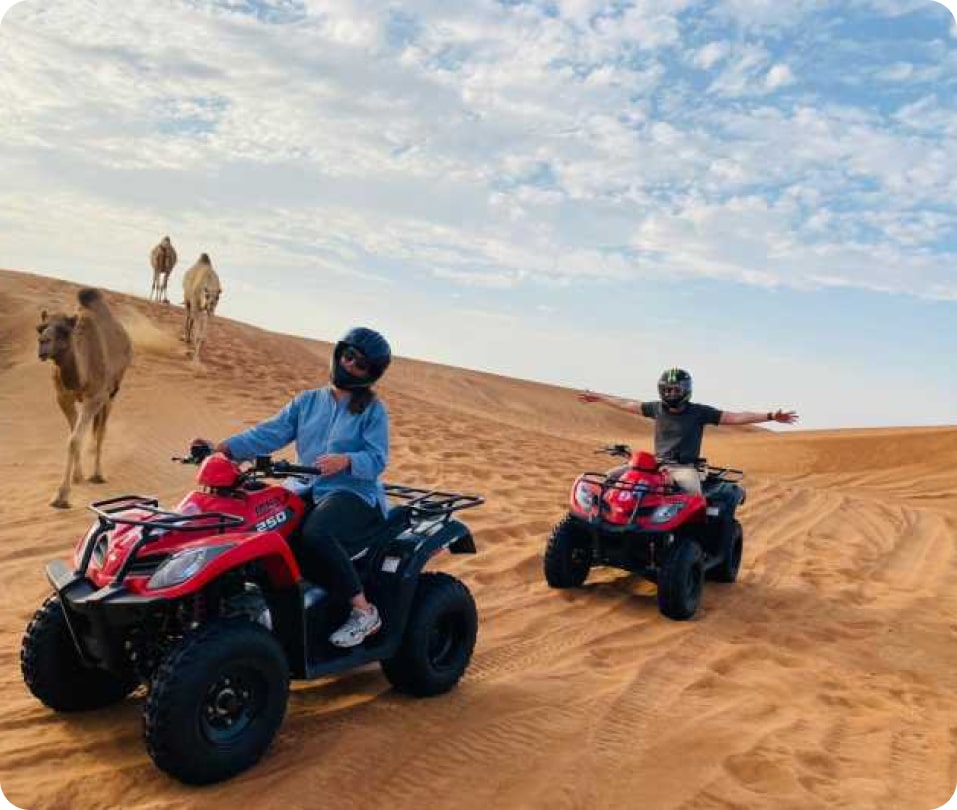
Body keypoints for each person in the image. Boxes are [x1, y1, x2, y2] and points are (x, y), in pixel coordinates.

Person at [200, 327, 392, 648]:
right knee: (257, 520)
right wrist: (222, 449)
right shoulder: (307, 401)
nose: (350, 366)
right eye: (348, 357)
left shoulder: (373, 411)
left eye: (360, 365)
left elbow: (377, 459)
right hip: (306, 487)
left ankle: (363, 610)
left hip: (353, 494)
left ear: (370, 374)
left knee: (316, 533)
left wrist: (346, 460)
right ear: (338, 353)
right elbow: (268, 434)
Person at [579, 367, 798, 495]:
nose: (671, 393)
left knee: (692, 495)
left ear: (685, 391)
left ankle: (693, 542)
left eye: (675, 389)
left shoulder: (699, 412)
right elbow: (626, 403)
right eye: (667, 389)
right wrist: (599, 397)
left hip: (684, 467)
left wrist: (769, 416)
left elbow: (736, 417)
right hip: (656, 464)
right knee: (610, 478)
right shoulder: (656, 408)